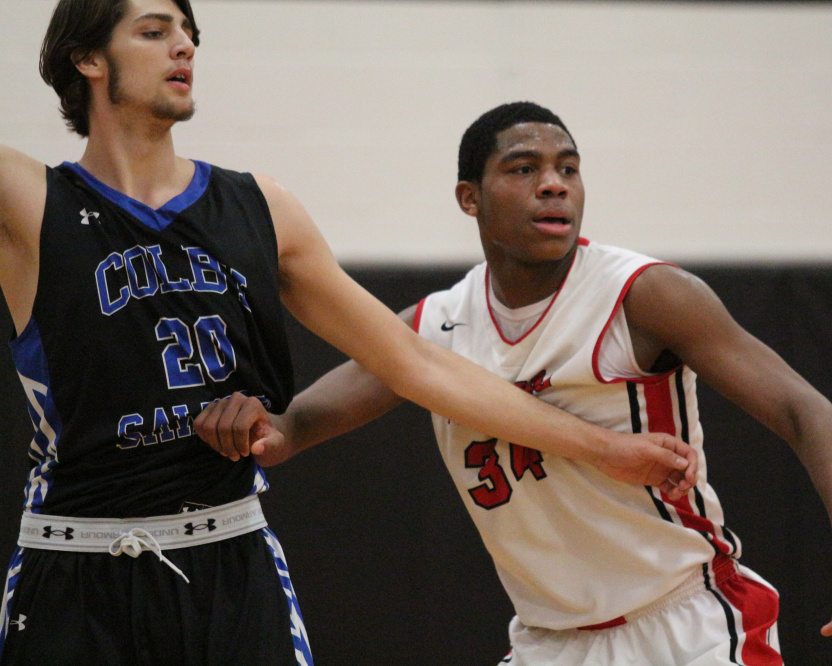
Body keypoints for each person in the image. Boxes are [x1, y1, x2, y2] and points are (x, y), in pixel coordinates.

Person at [0, 3, 699, 663]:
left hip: (227, 556)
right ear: (87, 57)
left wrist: (607, 448)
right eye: (154, 32)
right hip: (75, 562)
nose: (184, 45)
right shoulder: (31, 201)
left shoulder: (260, 206)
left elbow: (416, 365)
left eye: (188, 33)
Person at [197, 101, 832, 665]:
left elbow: (808, 412)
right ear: (469, 197)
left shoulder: (644, 294)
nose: (553, 183)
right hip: (550, 639)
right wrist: (257, 426)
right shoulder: (436, 327)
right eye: (522, 168)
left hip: (684, 623)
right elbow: (295, 429)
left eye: (568, 168)